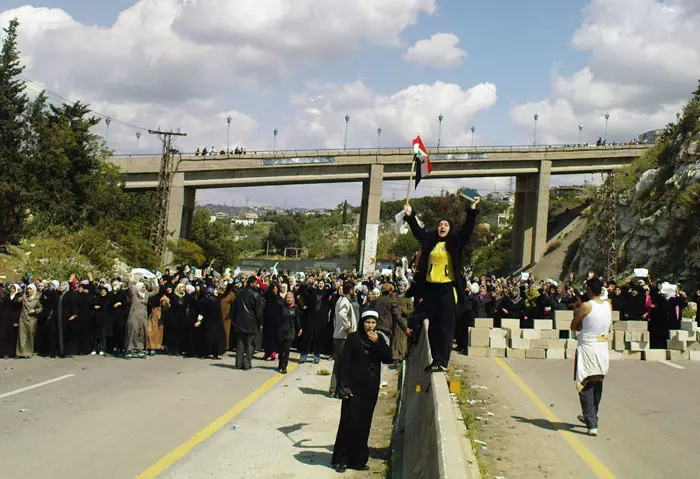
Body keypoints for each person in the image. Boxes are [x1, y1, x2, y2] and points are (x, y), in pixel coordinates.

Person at [404, 197, 480, 372]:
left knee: (446, 327)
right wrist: (410, 215)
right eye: (440, 224)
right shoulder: (430, 241)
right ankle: (435, 359)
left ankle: (443, 362)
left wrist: (472, 209)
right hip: (431, 288)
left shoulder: (454, 242)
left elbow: (467, 230)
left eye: (445, 224)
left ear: (450, 228)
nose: (442, 227)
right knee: (433, 326)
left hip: (447, 288)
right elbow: (417, 232)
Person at [331, 310, 393, 473]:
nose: (370, 326)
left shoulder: (379, 339)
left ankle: (357, 459)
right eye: (367, 322)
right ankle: (341, 459)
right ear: (362, 323)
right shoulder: (353, 339)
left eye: (373, 323)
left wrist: (378, 343)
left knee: (364, 423)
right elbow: (344, 363)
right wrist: (344, 387)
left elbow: (388, 358)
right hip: (353, 387)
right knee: (348, 422)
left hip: (370, 387)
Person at [570, 277, 611, 437]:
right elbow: (609, 326)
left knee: (585, 384)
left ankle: (591, 422)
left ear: (589, 290)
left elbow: (574, 324)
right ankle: (592, 415)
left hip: (588, 347)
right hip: (602, 347)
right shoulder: (608, 305)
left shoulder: (586, 306)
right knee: (597, 382)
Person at [330, 280, 357, 396]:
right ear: (350, 290)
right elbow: (342, 315)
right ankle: (342, 391)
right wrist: (348, 327)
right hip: (343, 336)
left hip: (339, 336)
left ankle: (334, 389)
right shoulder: (344, 301)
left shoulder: (342, 300)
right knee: (344, 364)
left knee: (339, 363)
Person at [233, 276, 264, 370]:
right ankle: (247, 363)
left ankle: (239, 363)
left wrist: (234, 319)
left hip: (240, 320)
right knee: (250, 342)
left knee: (240, 342)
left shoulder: (239, 293)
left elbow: (234, 308)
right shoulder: (256, 295)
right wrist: (261, 323)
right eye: (255, 283)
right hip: (251, 321)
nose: (257, 285)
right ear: (251, 283)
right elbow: (258, 311)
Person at [277, 291, 302, 374]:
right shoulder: (281, 306)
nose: (289, 299)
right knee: (280, 350)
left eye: (291, 297)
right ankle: (280, 362)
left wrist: (300, 328)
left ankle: (284, 366)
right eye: (287, 297)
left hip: (290, 331)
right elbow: (276, 301)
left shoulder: (295, 308)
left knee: (286, 349)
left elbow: (297, 319)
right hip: (281, 330)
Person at [17, 284, 43, 358]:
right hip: (23, 318)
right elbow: (18, 300)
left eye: (30, 289)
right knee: (21, 335)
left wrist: (34, 311)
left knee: (30, 336)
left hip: (32, 319)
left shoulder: (36, 299)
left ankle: (28, 352)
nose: (29, 291)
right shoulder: (24, 297)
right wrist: (20, 292)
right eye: (28, 289)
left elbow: (40, 308)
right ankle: (20, 352)